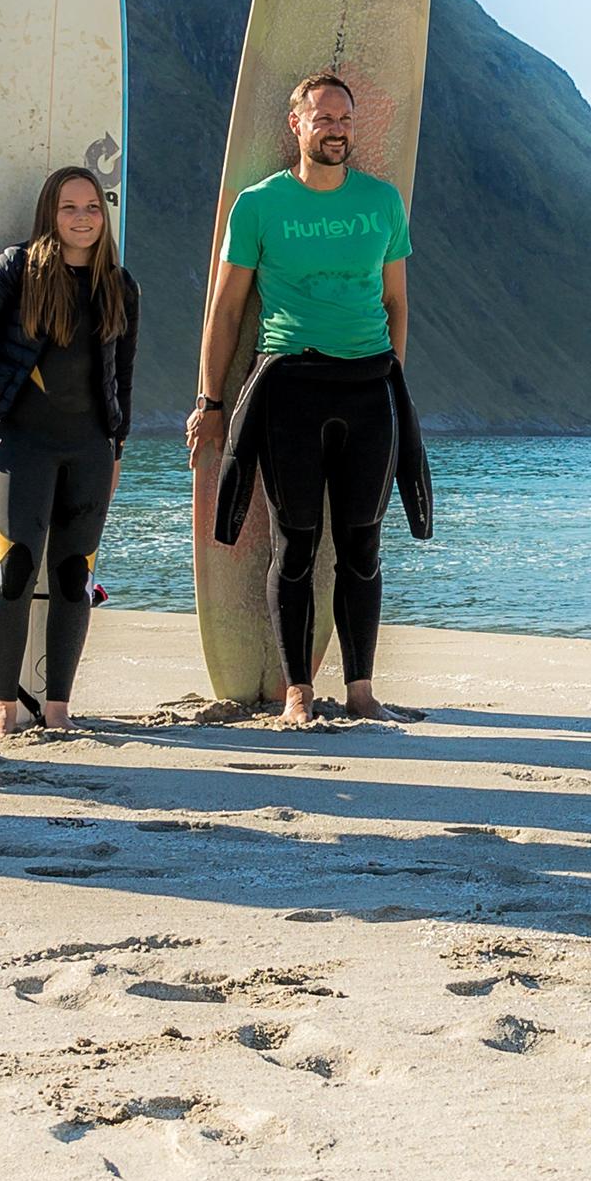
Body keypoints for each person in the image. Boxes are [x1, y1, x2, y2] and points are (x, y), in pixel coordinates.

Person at [188, 73, 431, 722]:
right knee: (295, 545)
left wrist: (393, 383)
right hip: (290, 386)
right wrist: (210, 401)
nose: (336, 128)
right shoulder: (260, 205)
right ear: (295, 126)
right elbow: (226, 308)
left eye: (345, 118)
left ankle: (360, 692)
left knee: (361, 545)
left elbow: (397, 302)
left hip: (368, 389)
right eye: (322, 118)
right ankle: (297, 693)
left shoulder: (381, 203)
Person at [0, 165, 139, 737]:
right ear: (50, 213)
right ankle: (3, 707)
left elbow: (122, 375)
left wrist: (117, 449)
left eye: (93, 207)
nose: (82, 218)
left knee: (75, 575)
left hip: (90, 452)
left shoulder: (119, 286)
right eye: (69, 207)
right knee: (17, 568)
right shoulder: (18, 270)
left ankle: (58, 709)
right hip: (25, 446)